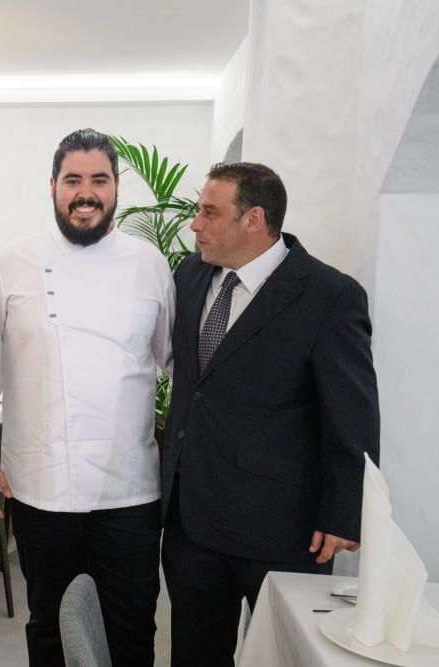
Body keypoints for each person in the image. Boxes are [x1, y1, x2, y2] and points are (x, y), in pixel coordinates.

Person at [0, 128, 174, 666]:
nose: (86, 193)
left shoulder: (149, 262)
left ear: (117, 188)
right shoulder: (11, 261)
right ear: (52, 186)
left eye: (99, 180)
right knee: (49, 626)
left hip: (129, 489)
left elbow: (171, 359)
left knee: (131, 625)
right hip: (40, 485)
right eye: (74, 180)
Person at [161, 162, 380, 666]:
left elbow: (353, 412)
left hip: (281, 527)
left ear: (254, 219)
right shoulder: (190, 276)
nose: (194, 224)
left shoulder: (329, 296)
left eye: (209, 212)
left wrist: (345, 511)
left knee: (285, 656)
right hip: (191, 520)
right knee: (194, 654)